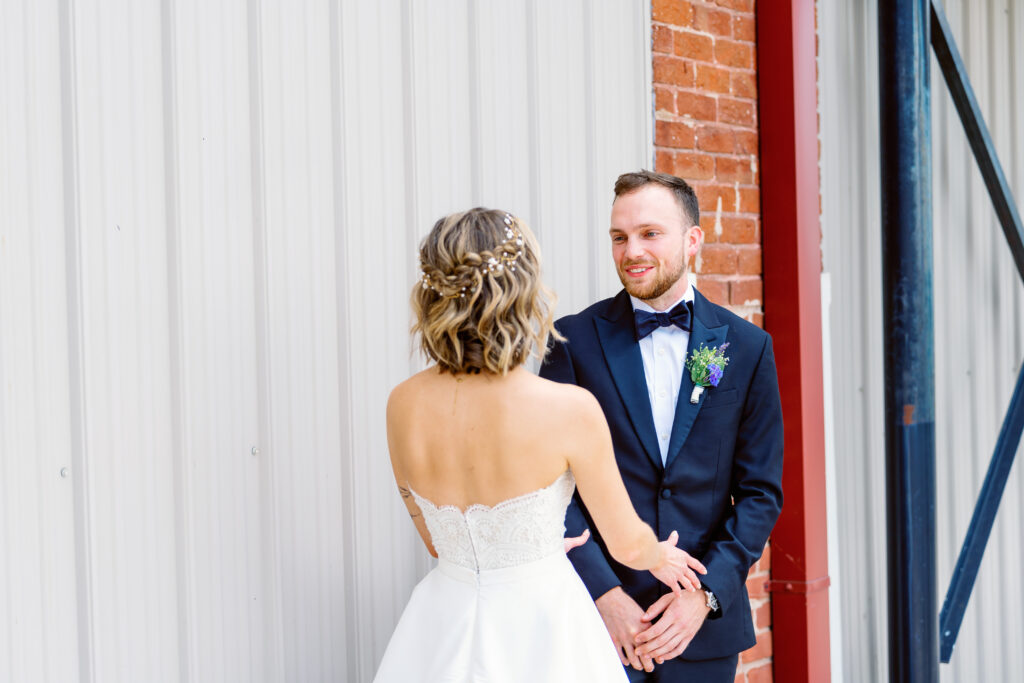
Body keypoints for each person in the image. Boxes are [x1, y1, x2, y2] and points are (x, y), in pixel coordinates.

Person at [374, 208, 709, 683]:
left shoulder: (401, 404)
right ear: (524, 291)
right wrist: (662, 556)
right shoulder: (568, 408)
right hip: (541, 627)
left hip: (440, 625)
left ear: (431, 293)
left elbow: (436, 538)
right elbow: (627, 543)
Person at [539, 171, 784, 682]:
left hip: (702, 630)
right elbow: (550, 488)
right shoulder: (570, 343)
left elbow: (760, 492)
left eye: (650, 233)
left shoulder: (747, 347)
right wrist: (605, 595)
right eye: (619, 237)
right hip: (598, 621)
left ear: (692, 240)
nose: (632, 251)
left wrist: (704, 594)